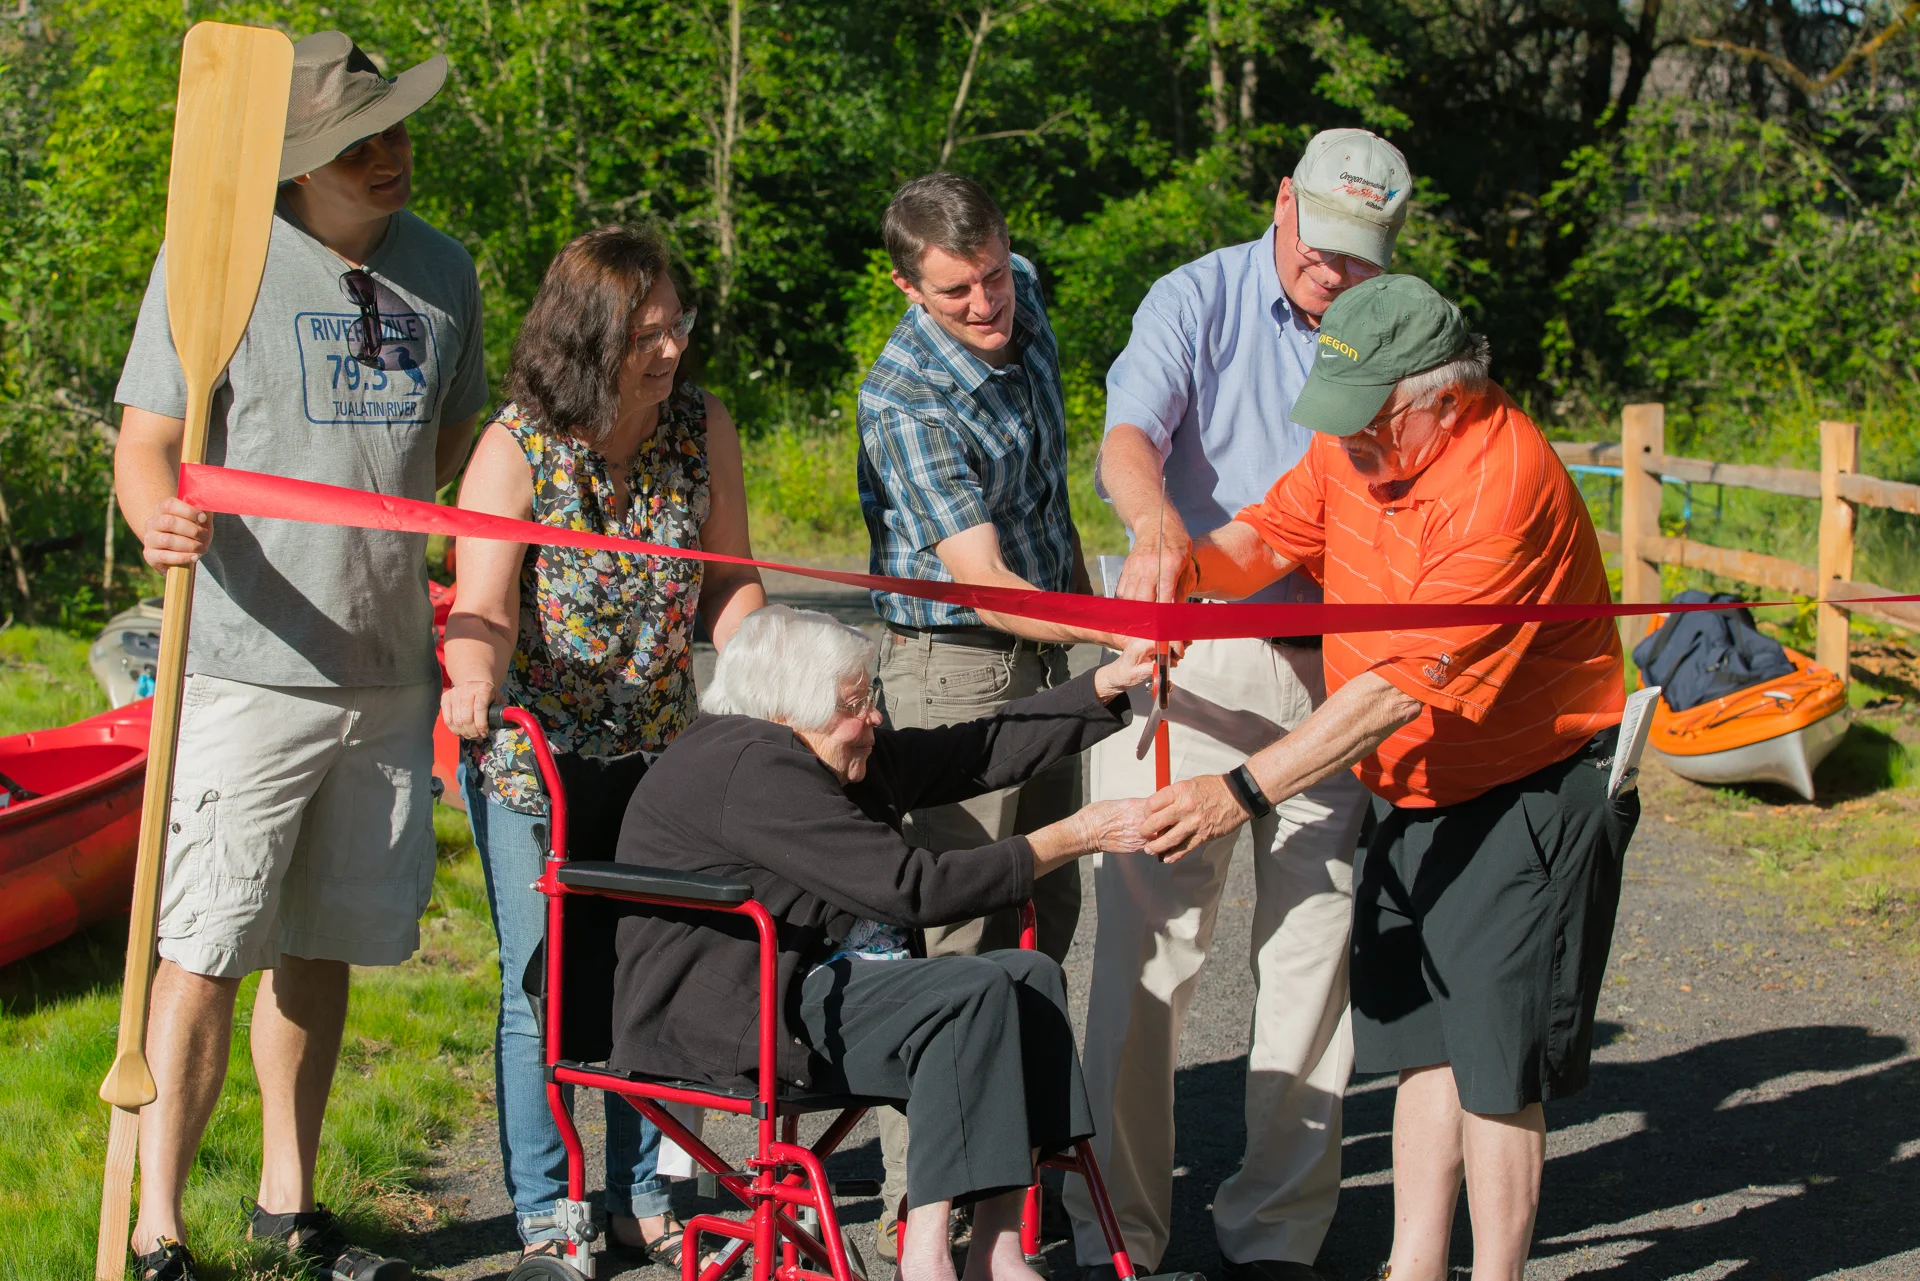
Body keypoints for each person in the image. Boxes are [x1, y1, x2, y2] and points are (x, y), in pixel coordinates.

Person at [1151, 274, 1636, 1281]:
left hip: (1523, 790)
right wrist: (1180, 570)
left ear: (1444, 400)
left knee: (1498, 1068)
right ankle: (1412, 1266)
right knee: (1424, 1042)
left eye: (1369, 422)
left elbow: (1393, 692)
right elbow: (1267, 539)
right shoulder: (1358, 439)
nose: (1348, 441)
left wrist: (1237, 792)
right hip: (1414, 793)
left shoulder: (1502, 488)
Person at [112, 32, 486, 1281]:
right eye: (358, 143)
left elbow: (450, 442)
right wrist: (156, 517)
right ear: (297, 164)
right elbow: (146, 441)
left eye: (396, 130)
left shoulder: (444, 269)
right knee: (206, 946)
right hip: (245, 666)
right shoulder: (215, 261)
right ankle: (159, 1229)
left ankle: (290, 1199)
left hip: (387, 671)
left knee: (321, 941)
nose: (390, 156)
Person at [1067, 128, 1411, 1281]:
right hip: (1193, 659)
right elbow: (1128, 435)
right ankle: (1118, 1229)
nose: (1333, 270)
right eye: (1322, 242)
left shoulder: (1395, 326)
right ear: (1281, 202)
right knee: (1145, 955)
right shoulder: (1196, 298)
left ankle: (1278, 1235)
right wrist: (1154, 522)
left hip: (1335, 677)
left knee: (1314, 952)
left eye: (1361, 255)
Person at [609, 605, 1155, 1281]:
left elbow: (973, 751)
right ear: (787, 708)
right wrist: (1075, 835)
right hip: (745, 1010)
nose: (872, 717)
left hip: (812, 979)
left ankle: (996, 1247)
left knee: (1029, 978)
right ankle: (923, 1254)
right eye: (852, 705)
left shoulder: (819, 746)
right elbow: (911, 888)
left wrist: (1103, 688)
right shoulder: (750, 767)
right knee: (970, 991)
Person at [440, 223, 766, 1264]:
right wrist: (473, 678)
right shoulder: (515, 449)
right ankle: (548, 1202)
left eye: (678, 324)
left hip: (663, 749)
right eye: (646, 335)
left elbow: (729, 579)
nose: (671, 349)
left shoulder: (701, 426)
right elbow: (483, 606)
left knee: (660, 969)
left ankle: (641, 1189)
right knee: (541, 982)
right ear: (588, 340)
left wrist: (775, 675)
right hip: (537, 761)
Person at [856, 172, 1107, 1248]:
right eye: (957, 291)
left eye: (995, 276)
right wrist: (1113, 633)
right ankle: (923, 1210)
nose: (987, 304)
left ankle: (1020, 1184)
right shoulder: (903, 398)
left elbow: (1049, 502)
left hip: (1050, 649)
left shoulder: (1025, 291)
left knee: (1052, 906)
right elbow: (988, 582)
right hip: (955, 666)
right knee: (959, 938)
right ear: (909, 287)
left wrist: (1090, 633)